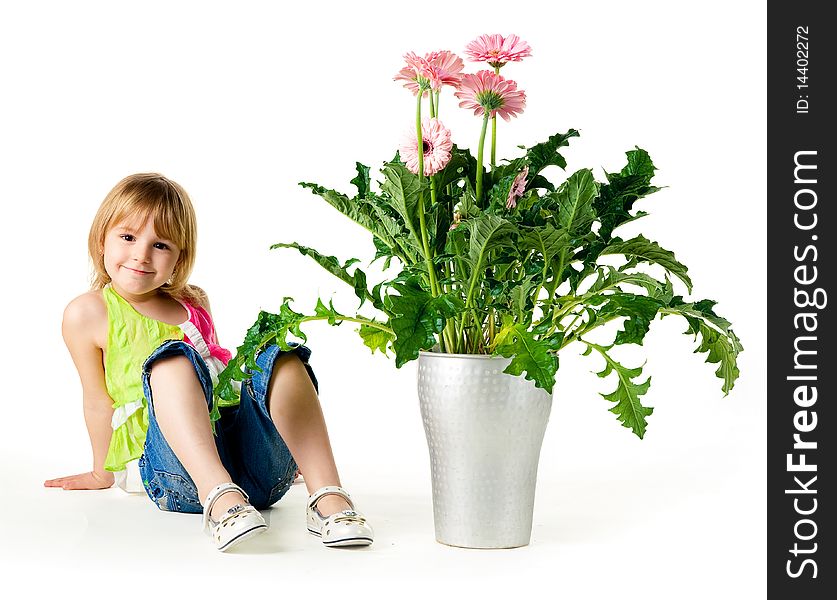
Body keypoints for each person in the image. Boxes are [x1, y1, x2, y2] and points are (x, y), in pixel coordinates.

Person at [44, 173, 373, 551]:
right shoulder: (88, 312)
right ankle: (219, 500)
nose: (141, 254)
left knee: (279, 355)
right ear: (102, 237)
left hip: (252, 474)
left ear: (179, 257)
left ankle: (329, 497)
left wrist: (282, 446)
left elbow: (219, 382)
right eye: (128, 237)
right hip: (177, 476)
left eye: (161, 245)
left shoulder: (193, 301)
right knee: (172, 359)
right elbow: (97, 399)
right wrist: (102, 471)